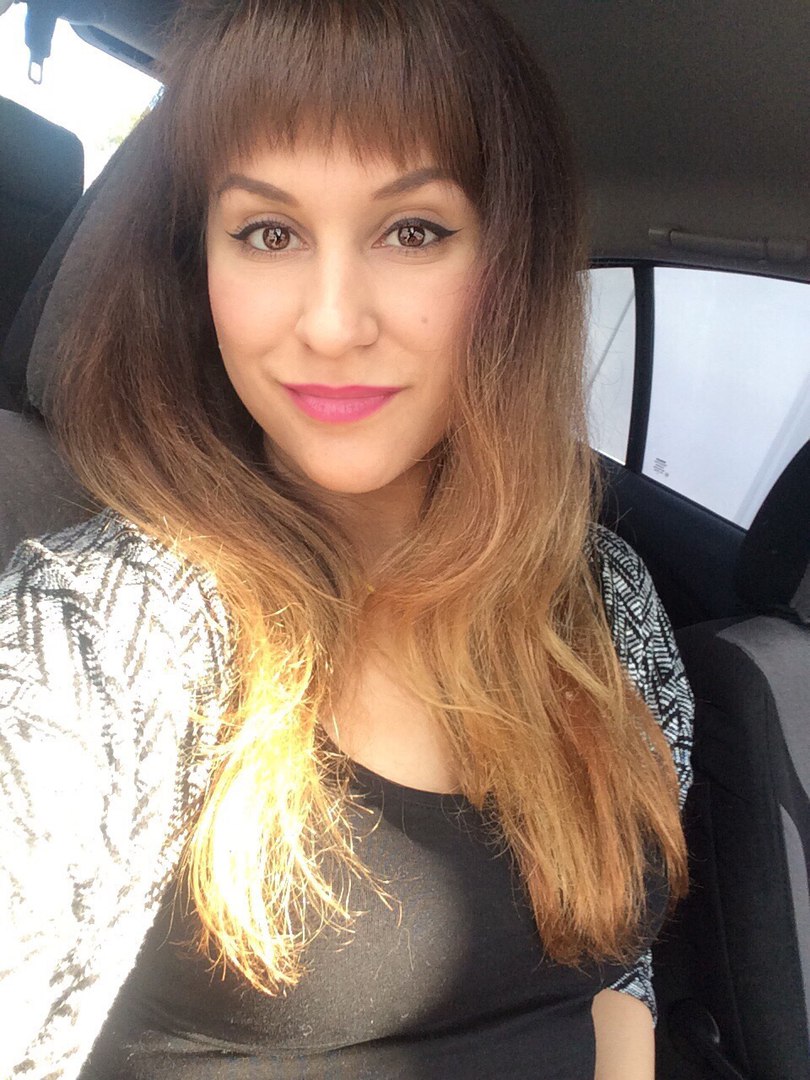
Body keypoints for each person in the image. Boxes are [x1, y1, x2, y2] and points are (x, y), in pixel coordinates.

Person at [0, 0, 693, 1076]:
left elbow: (621, 979)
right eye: (268, 233)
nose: (331, 323)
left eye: (412, 231)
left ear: (512, 269)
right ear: (198, 270)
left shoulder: (608, 599)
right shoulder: (99, 631)